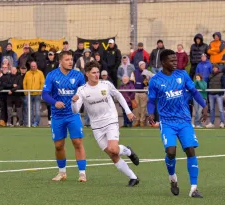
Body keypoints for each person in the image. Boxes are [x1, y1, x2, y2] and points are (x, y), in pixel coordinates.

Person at [147, 49, 208, 197]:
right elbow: (151, 101)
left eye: (176, 60)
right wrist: (150, 113)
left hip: (184, 120)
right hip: (167, 122)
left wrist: (204, 106)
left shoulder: (182, 75)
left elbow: (194, 92)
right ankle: (173, 178)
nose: (175, 62)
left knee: (190, 150)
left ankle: (194, 188)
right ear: (163, 62)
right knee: (171, 152)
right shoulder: (155, 80)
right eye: (172, 61)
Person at [71, 61, 140, 186]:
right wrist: (73, 102)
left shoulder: (106, 84)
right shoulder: (82, 90)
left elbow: (118, 96)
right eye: (93, 73)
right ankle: (133, 177)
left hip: (111, 121)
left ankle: (128, 151)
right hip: (96, 127)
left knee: (114, 148)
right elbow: (76, 110)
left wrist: (128, 111)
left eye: (98, 72)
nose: (97, 75)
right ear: (87, 74)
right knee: (112, 154)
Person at [41, 51, 87, 182]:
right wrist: (55, 102)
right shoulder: (52, 75)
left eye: (71, 59)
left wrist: (79, 97)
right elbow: (45, 94)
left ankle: (82, 173)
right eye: (67, 59)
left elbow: (84, 91)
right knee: (59, 145)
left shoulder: (78, 75)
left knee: (77, 142)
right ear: (60, 61)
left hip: (73, 115)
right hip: (57, 116)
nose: (70, 62)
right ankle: (62, 173)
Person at [23, 61, 45, 127]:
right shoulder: (27, 73)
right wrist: (26, 92)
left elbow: (42, 83)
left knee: (37, 110)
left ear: (36, 66)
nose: (33, 67)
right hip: (29, 95)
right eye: (32, 66)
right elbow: (24, 83)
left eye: (34, 66)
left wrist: (40, 91)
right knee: (30, 110)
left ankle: (36, 123)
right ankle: (30, 122)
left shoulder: (40, 73)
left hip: (37, 94)